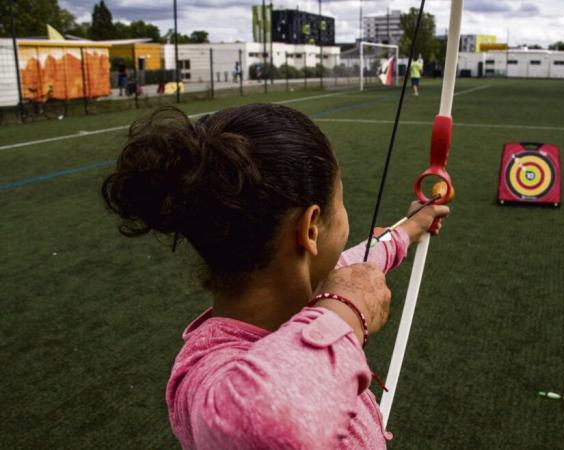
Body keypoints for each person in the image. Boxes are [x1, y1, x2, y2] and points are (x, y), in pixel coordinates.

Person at [101, 104, 449, 449]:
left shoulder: (312, 298)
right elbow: (268, 420)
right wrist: (347, 308)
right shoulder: (207, 375)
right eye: (340, 203)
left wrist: (412, 226)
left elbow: (361, 262)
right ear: (310, 228)